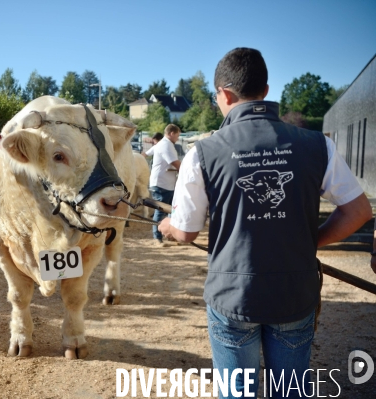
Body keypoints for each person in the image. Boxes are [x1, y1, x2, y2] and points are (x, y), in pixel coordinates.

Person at [159, 48, 372, 398]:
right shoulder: (318, 145)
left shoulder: (202, 152)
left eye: (216, 98)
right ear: (266, 89)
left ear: (224, 94)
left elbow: (185, 231)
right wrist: (308, 240)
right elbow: (359, 211)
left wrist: (167, 225)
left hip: (233, 298)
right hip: (294, 293)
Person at [145, 124, 181, 246]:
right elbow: (175, 163)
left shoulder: (166, 144)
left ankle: (169, 235)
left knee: (171, 210)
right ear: (172, 133)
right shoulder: (166, 145)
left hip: (165, 183)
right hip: (162, 183)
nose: (178, 138)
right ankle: (157, 238)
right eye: (177, 135)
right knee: (161, 210)